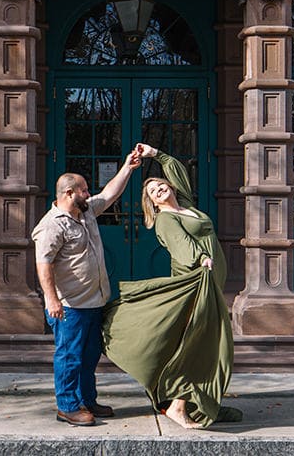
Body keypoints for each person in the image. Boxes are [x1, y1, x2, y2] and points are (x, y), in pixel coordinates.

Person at [102, 142, 237, 429]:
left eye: (160, 186)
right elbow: (182, 247)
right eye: (152, 192)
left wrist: (155, 155)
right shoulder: (165, 219)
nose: (158, 190)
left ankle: (194, 400)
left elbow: (177, 171)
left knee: (204, 343)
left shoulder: (186, 206)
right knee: (199, 344)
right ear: (151, 202)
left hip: (210, 283)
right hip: (193, 285)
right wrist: (201, 256)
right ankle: (177, 404)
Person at [32, 146, 142, 427]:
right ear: (69, 193)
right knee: (69, 357)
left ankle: (87, 400)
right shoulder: (52, 225)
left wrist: (128, 166)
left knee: (89, 356)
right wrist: (51, 299)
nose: (88, 194)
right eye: (83, 190)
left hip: (94, 301)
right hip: (70, 305)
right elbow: (43, 263)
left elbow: (110, 194)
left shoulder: (87, 211)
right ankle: (67, 406)